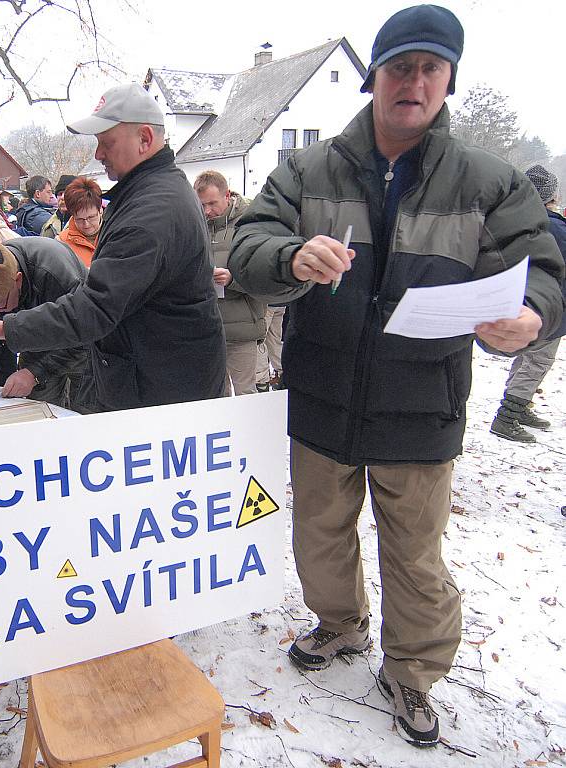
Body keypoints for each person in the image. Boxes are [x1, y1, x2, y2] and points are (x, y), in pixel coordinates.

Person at [228, 4, 564, 747]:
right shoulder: (308, 169)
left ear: (448, 81)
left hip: (423, 403)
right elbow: (250, 238)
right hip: (322, 394)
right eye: (399, 66)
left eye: (429, 69)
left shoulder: (490, 182)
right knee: (320, 532)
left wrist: (533, 315)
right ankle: (341, 625)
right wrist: (288, 257)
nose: (413, 81)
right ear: (375, 76)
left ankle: (411, 671)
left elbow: (542, 270)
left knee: (414, 551)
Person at [0, 83, 225, 411]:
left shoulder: (153, 210)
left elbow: (95, 308)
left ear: (145, 139)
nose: (98, 154)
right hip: (151, 378)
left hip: (162, 389)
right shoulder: (146, 195)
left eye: (106, 143)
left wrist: (6, 328)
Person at [0, 237, 92, 411]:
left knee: (84, 411)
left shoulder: (55, 273)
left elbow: (82, 330)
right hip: (34, 344)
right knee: (36, 410)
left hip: (84, 348)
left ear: (17, 280)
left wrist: (34, 373)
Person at [490, 164, 566, 442]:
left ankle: (521, 405)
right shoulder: (553, 225)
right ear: (550, 195)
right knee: (539, 360)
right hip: (551, 307)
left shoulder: (517, 218)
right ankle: (508, 415)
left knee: (527, 357)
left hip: (527, 302)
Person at [194, 170, 266, 395]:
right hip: (209, 329)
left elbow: (264, 276)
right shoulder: (197, 226)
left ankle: (252, 432)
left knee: (246, 395)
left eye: (212, 203)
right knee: (217, 397)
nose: (207, 211)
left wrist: (233, 280)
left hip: (242, 327)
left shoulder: (251, 224)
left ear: (227, 196)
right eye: (202, 205)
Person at [57, 177, 103, 267]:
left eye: (91, 217)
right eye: (79, 219)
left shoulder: (117, 233)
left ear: (100, 209)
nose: (86, 224)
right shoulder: (62, 243)